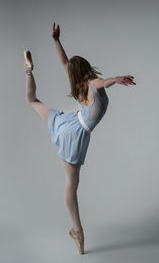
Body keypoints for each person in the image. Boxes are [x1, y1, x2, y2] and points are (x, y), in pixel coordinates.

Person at [23, 22, 136, 255]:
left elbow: (65, 63)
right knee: (72, 185)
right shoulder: (93, 83)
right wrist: (116, 79)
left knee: (33, 101)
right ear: (86, 67)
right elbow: (103, 82)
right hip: (75, 133)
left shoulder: (77, 83)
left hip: (66, 122)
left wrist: (56, 41)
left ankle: (28, 72)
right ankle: (78, 230)